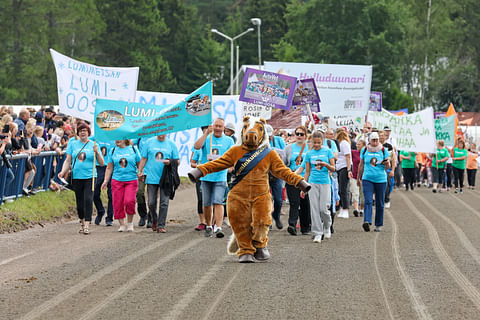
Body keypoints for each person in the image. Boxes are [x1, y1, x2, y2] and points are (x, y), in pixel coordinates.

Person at [58, 122, 104, 235]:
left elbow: (102, 163)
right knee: (79, 203)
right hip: (77, 177)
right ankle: (82, 222)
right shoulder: (73, 144)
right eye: (81, 131)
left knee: (88, 199)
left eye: (85, 131)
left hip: (90, 176)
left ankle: (88, 224)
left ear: (88, 133)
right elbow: (68, 160)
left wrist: (97, 152)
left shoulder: (94, 144)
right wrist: (63, 171)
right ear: (78, 133)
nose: (83, 132)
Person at [194, 118, 234, 238]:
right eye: (216, 126)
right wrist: (206, 133)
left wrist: (229, 167)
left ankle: (219, 227)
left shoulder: (228, 140)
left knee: (218, 201)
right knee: (206, 203)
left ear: (224, 128)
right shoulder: (207, 138)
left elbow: (232, 157)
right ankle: (209, 225)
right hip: (206, 176)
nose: (217, 128)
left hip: (220, 176)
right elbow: (196, 146)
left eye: (220, 126)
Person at [138, 134, 179, 233]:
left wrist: (169, 162)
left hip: (166, 178)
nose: (161, 134)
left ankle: (161, 225)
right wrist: (139, 171)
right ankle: (154, 219)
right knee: (151, 203)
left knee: (164, 203)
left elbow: (177, 161)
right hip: (151, 177)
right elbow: (144, 158)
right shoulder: (149, 142)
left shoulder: (171, 144)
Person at [303, 131, 335, 243]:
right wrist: (304, 186)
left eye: (318, 142)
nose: (316, 145)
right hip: (312, 182)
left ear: (322, 141)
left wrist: (326, 165)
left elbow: (333, 168)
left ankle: (327, 225)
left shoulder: (328, 151)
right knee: (314, 209)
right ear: (311, 141)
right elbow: (307, 171)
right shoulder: (309, 154)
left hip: (325, 182)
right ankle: (317, 232)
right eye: (314, 142)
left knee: (323, 208)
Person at [102, 140, 140, 232]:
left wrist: (140, 172)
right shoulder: (113, 150)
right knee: (117, 203)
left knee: (129, 201)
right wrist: (106, 180)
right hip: (117, 180)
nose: (117, 141)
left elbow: (139, 164)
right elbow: (109, 167)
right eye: (115, 139)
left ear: (125, 139)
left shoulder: (134, 149)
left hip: (131, 180)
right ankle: (122, 224)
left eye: (119, 138)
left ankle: (130, 223)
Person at [357, 132, 390, 232]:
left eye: (377, 140)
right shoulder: (365, 150)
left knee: (380, 202)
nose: (375, 142)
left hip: (381, 179)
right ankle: (367, 221)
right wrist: (358, 177)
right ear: (369, 141)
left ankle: (378, 224)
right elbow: (361, 164)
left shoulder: (384, 150)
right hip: (367, 178)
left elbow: (388, 167)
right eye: (373, 140)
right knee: (368, 200)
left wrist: (387, 163)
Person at [283, 125, 311, 236]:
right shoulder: (288, 148)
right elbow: (284, 163)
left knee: (305, 203)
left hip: (306, 179)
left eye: (301, 134)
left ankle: (305, 227)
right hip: (293, 179)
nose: (299, 136)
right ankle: (292, 225)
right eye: (297, 134)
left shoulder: (310, 147)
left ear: (305, 136)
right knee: (294, 202)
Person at [266, 124, 286, 229]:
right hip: (264, 174)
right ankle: (267, 220)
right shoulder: (259, 142)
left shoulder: (279, 141)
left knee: (278, 199)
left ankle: (276, 216)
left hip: (276, 173)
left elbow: (285, 154)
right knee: (266, 199)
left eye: (270, 135)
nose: (269, 137)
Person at [94, 139, 114, 226]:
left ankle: (109, 217)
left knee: (111, 194)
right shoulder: (95, 138)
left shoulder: (113, 139)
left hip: (110, 167)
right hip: (99, 167)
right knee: (94, 192)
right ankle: (100, 210)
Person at [132, 138, 150, 227]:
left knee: (152, 196)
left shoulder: (157, 136)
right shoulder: (140, 137)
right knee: (139, 192)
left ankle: (151, 217)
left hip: (153, 171)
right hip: (141, 170)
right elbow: (130, 142)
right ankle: (143, 215)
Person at [335, 128, 352, 218]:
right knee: (340, 189)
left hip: (345, 167)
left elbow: (348, 157)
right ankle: (342, 207)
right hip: (339, 167)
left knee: (343, 189)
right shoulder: (339, 144)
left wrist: (349, 169)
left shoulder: (344, 143)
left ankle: (345, 208)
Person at [351, 139, 364, 217]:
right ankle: (356, 209)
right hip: (354, 176)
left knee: (363, 195)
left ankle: (362, 210)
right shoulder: (353, 152)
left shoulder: (366, 154)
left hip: (364, 177)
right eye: (357, 144)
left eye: (359, 144)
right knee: (355, 193)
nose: (357, 145)